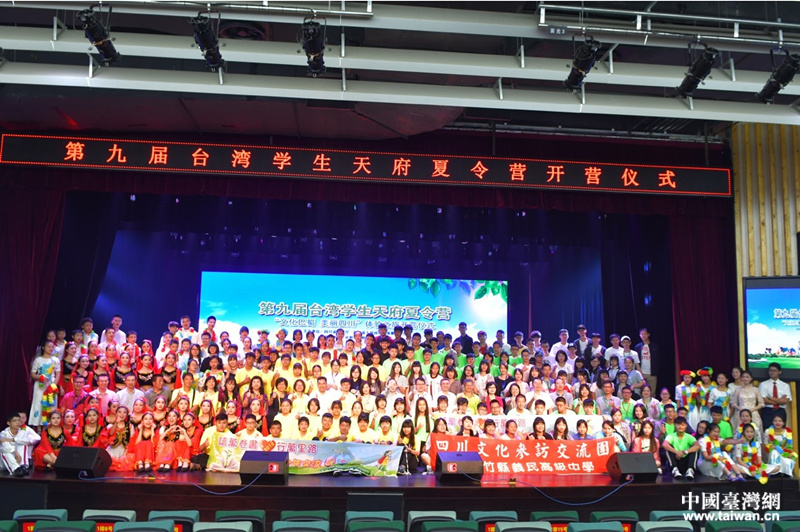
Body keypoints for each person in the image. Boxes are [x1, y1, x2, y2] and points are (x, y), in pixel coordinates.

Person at [30, 340, 62, 430]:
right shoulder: (38, 360)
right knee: (38, 404)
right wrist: (40, 377)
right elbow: (32, 374)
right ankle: (38, 427)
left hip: (51, 386)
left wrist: (54, 385)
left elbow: (58, 373)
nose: (51, 348)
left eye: (52, 347)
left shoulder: (55, 360)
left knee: (50, 404)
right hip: (40, 386)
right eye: (48, 346)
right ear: (43, 348)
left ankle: (48, 427)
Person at [758, 362, 792, 430]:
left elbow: (785, 401)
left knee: (781, 432)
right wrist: (779, 401)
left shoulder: (785, 385)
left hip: (780, 411)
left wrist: (770, 398)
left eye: (774, 370)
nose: (772, 372)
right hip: (767, 411)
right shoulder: (763, 384)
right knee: (767, 431)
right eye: (770, 370)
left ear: (779, 372)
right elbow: (764, 400)